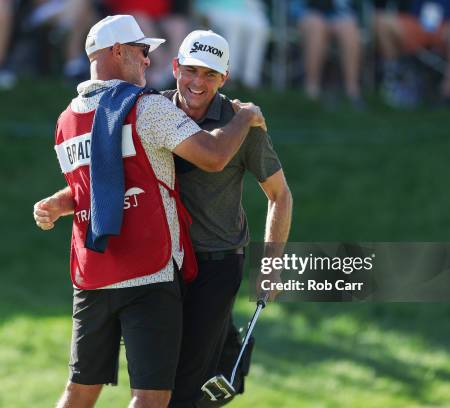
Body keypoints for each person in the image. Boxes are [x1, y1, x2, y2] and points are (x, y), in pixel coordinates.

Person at [32, 15, 266, 408]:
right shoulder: (149, 107)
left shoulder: (66, 121)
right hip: (148, 273)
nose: (147, 61)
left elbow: (96, 185)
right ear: (117, 51)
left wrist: (61, 202)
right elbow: (212, 157)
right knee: (152, 398)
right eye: (142, 51)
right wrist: (245, 115)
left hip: (93, 274)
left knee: (78, 391)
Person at [164, 30, 292, 407]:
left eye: (209, 75)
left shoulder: (242, 124)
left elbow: (280, 195)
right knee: (159, 370)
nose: (197, 83)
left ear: (225, 79)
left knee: (188, 379)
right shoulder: (152, 111)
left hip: (217, 261)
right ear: (174, 68)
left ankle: (225, 360)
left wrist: (272, 264)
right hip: (163, 262)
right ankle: (228, 354)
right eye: (190, 71)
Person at [374, 0, 450, 101]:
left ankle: (448, 91)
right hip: (418, 22)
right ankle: (397, 79)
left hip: (447, 25)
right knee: (381, 21)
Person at [288, 0, 363, 103]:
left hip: (338, 13)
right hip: (307, 11)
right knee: (317, 26)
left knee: (349, 29)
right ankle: (312, 87)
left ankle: (352, 90)